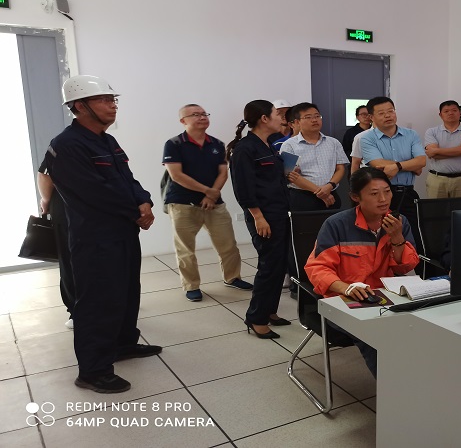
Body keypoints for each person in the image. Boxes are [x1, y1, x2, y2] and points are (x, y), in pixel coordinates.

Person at [45, 75, 161, 394]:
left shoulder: (106, 141)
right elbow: (94, 192)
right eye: (104, 100)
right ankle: (93, 370)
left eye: (113, 100)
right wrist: (136, 210)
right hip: (95, 237)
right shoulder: (66, 145)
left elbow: (127, 178)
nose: (113, 106)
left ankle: (122, 344)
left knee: (126, 292)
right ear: (79, 106)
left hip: (122, 231)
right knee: (98, 301)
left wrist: (144, 200)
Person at [305, 168, 419, 377]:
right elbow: (317, 268)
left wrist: (397, 238)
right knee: (375, 338)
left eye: (387, 191)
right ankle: (393, 390)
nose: (383, 199)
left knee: (420, 330)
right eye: (374, 194)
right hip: (344, 300)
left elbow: (406, 267)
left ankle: (416, 383)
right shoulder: (337, 225)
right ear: (356, 197)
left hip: (384, 297)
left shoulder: (398, 222)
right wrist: (346, 288)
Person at [162, 104, 252, 302]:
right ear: (183, 121)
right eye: (196, 114)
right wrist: (207, 191)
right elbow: (176, 175)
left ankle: (232, 277)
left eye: (204, 114)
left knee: (228, 245)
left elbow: (223, 172)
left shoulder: (217, 144)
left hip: (214, 204)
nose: (202, 117)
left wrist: (211, 196)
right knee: (185, 249)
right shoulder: (174, 144)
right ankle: (191, 286)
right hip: (182, 204)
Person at [228, 100, 292, 339]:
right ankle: (256, 318)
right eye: (277, 114)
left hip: (279, 211)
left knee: (279, 264)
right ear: (264, 118)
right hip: (264, 215)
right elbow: (243, 187)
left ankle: (270, 311)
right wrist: (258, 216)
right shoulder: (245, 149)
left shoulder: (268, 144)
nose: (281, 118)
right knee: (269, 265)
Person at [360, 96, 426, 252]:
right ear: (371, 117)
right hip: (381, 196)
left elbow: (422, 161)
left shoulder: (411, 134)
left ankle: (415, 266)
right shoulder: (367, 139)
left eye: (390, 111)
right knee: (381, 237)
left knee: (415, 237)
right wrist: (411, 165)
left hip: (408, 193)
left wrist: (397, 166)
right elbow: (379, 164)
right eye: (382, 113)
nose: (388, 115)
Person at [281, 102, 349, 211]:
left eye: (317, 116)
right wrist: (321, 192)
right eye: (308, 117)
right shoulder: (289, 145)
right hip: (303, 198)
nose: (314, 120)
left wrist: (329, 186)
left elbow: (340, 169)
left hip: (331, 194)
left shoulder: (333, 142)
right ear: (297, 122)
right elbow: (290, 176)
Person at [36, 163, 74, 329]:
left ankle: (79, 311)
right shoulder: (63, 145)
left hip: (75, 212)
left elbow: (44, 175)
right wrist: (46, 200)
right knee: (73, 262)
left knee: (72, 262)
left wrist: (46, 200)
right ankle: (78, 311)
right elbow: (45, 174)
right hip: (71, 212)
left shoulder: (107, 143)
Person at [424, 100, 461, 198]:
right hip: (437, 179)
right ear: (440, 115)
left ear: (460, 112)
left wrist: (436, 150)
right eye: (446, 111)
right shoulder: (431, 132)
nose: (450, 113)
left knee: (460, 208)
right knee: (436, 208)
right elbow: (433, 155)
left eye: (454, 110)